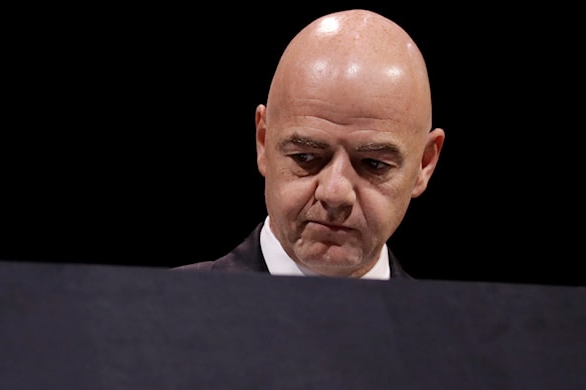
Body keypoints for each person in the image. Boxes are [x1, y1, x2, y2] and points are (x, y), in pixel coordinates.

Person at [179, 10, 444, 279]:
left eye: (374, 164)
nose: (334, 193)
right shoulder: (161, 314)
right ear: (263, 141)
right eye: (305, 157)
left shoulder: (458, 322)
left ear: (424, 164)